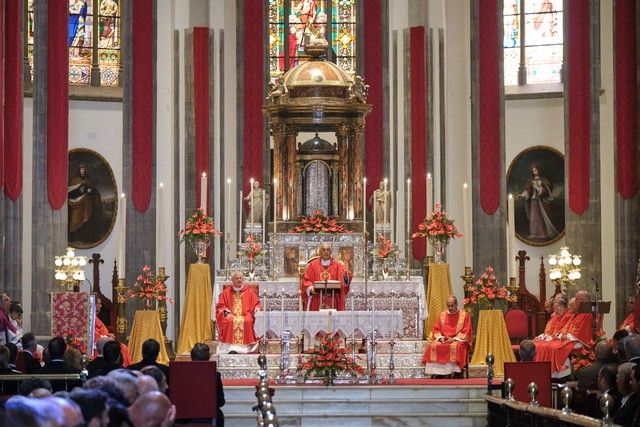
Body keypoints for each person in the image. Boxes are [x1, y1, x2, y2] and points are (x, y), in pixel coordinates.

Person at [422, 295, 472, 377]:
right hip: (444, 340)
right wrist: (440, 338)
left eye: (452, 306)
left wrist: (454, 339)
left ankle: (457, 372)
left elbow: (466, 331)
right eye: (448, 306)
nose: (450, 308)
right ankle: (439, 372)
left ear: (456, 304)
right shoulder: (442, 315)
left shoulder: (464, 315)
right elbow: (436, 328)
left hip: (457, 340)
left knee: (456, 346)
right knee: (433, 346)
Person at [216, 272, 262, 354]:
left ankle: (246, 347)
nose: (239, 280)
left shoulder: (249, 291)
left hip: (246, 314)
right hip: (231, 315)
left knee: (247, 321)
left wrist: (257, 308)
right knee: (230, 321)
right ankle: (229, 347)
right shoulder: (226, 292)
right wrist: (226, 312)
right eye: (237, 278)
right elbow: (220, 306)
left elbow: (256, 303)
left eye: (241, 278)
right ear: (232, 280)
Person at [302, 244, 352, 311]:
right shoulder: (312, 265)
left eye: (328, 250)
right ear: (320, 252)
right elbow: (306, 280)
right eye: (323, 250)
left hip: (333, 298)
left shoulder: (338, 265)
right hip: (317, 297)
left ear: (331, 252)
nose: (326, 252)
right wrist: (311, 289)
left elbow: (346, 280)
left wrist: (345, 276)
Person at [517, 164, 559, 241]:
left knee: (541, 217)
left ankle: (542, 233)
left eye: (535, 170)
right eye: (533, 171)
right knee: (534, 216)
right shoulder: (531, 181)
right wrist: (522, 195)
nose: (534, 172)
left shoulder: (544, 180)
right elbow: (528, 191)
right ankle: (534, 233)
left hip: (541, 202)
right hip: (533, 201)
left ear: (539, 170)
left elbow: (546, 190)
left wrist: (538, 189)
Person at [68, 163, 104, 244]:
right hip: (77, 206)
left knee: (88, 221)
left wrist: (91, 192)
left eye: (84, 169)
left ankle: (88, 237)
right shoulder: (75, 180)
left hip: (87, 205)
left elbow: (94, 191)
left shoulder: (88, 180)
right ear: (79, 170)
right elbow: (71, 192)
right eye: (81, 169)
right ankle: (75, 237)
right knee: (75, 221)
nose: (83, 170)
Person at [191, 342, 225, 427]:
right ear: (208, 358)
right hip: (211, 417)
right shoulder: (215, 376)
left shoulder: (182, 375)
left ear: (192, 358)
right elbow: (221, 401)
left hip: (188, 417)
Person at [94, 297, 131, 366]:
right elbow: (94, 334)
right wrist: (107, 337)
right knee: (122, 348)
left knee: (124, 347)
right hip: (99, 342)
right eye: (98, 304)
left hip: (105, 339)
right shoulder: (90, 318)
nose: (101, 306)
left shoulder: (95, 317)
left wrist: (108, 335)